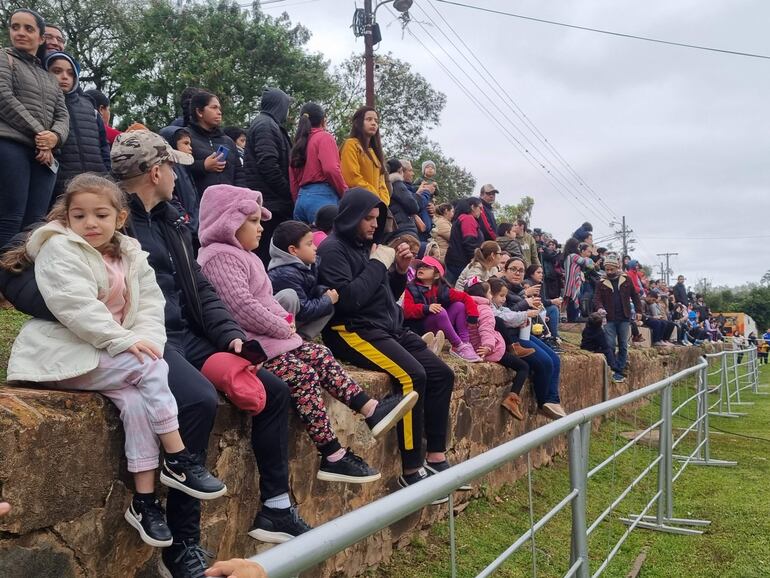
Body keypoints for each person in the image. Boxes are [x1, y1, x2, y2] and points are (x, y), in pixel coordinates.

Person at [1, 173, 227, 548]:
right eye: (80, 216)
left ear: (120, 218)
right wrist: (125, 341)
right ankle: (178, 458)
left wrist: (148, 341)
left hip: (106, 354)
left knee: (138, 402)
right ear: (66, 218)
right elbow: (76, 308)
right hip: (62, 354)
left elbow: (152, 306)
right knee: (151, 368)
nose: (90, 223)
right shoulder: (60, 249)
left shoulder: (131, 254)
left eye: (101, 215)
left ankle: (143, 501)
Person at [197, 184, 418, 484]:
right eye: (253, 221)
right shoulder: (219, 256)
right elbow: (242, 306)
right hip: (249, 347)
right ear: (227, 221)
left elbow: (264, 301)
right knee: (302, 374)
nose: (261, 228)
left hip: (271, 340)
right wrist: (283, 324)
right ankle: (332, 454)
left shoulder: (244, 256)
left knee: (320, 353)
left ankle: (370, 409)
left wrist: (284, 320)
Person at [318, 187, 461, 501]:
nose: (373, 224)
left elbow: (382, 292)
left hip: (386, 326)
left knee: (442, 375)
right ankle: (412, 470)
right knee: (413, 377)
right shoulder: (332, 249)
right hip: (352, 330)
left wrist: (397, 270)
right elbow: (349, 300)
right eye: (367, 218)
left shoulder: (369, 247)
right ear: (351, 216)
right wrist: (379, 264)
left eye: (376, 218)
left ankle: (436, 458)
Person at [0, 8, 69, 248]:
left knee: (36, 224)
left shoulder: (49, 76)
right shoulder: (3, 58)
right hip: (11, 145)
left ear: (40, 38)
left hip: (45, 154)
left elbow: (62, 114)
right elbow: (4, 98)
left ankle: (23, 277)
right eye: (15, 26)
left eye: (28, 28)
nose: (20, 33)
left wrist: (55, 137)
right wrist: (41, 134)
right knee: (10, 216)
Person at [488, 276, 566, 419]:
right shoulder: (500, 295)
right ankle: (543, 402)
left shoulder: (513, 292)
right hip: (512, 338)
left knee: (555, 359)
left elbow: (508, 311)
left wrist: (528, 313)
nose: (517, 273)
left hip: (522, 332)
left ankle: (552, 399)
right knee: (544, 363)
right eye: (513, 270)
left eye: (521, 270)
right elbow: (503, 317)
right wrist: (525, 306)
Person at [238, 87, 294, 264]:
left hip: (272, 202)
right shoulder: (265, 125)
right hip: (272, 204)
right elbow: (268, 164)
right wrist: (288, 191)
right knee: (267, 256)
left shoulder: (269, 124)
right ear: (280, 105)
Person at [44, 52, 109, 199]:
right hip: (61, 186)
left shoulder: (88, 105)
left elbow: (103, 144)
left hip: (98, 182)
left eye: (70, 73)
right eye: (57, 71)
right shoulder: (44, 105)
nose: (65, 77)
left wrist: (107, 171)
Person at [465, 280, 530, 419]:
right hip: (490, 350)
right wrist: (488, 346)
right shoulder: (485, 309)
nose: (490, 295)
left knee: (499, 322)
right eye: (489, 292)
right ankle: (512, 400)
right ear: (483, 294)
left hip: (471, 347)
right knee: (523, 367)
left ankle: (513, 348)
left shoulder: (464, 305)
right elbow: (486, 330)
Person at [402, 256, 482, 362]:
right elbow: (406, 310)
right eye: (420, 266)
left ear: (436, 275)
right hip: (419, 328)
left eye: (427, 267)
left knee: (459, 305)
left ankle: (465, 343)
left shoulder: (442, 289)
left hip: (439, 327)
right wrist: (426, 308)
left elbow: (465, 297)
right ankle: (458, 345)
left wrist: (473, 315)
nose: (421, 269)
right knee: (440, 311)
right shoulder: (410, 288)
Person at [268, 220, 336, 340]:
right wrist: (327, 300)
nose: (315, 248)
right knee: (291, 297)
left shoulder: (306, 265)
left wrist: (325, 295)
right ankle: (287, 339)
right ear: (293, 250)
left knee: (325, 296)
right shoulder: (285, 274)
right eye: (310, 244)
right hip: (281, 322)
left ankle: (302, 339)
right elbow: (304, 311)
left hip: (298, 315)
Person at [289, 102, 346, 224]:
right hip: (323, 198)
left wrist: (297, 200)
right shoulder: (324, 137)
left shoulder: (298, 144)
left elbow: (293, 181)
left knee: (305, 242)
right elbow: (331, 169)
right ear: (323, 120)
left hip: (301, 200)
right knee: (327, 241)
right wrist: (345, 192)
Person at [592, 252, 642, 382]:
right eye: (607, 269)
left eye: (611, 269)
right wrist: (600, 308)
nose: (609, 271)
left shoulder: (626, 279)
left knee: (623, 344)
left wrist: (638, 310)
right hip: (609, 318)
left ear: (617, 267)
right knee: (610, 343)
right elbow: (596, 299)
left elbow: (635, 296)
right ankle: (613, 368)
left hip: (624, 317)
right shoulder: (601, 282)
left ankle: (620, 368)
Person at [187, 90, 237, 198]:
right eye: (214, 108)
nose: (219, 112)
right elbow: (179, 170)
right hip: (200, 206)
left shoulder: (228, 141)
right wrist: (203, 166)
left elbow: (239, 175)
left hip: (229, 204)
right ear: (199, 112)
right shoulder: (186, 138)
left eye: (219, 108)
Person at [339, 106, 389, 205]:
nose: (374, 123)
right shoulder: (351, 144)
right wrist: (375, 197)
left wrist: (383, 203)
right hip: (358, 204)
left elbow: (382, 185)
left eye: (376, 121)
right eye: (369, 119)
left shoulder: (375, 153)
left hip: (376, 207)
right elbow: (352, 178)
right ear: (358, 123)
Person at [159, 126, 201, 240]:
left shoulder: (185, 167)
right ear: (172, 144)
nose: (190, 148)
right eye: (185, 143)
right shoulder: (171, 169)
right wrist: (184, 217)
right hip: (183, 226)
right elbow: (171, 197)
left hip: (194, 225)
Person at [444, 197, 484, 285]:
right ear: (473, 207)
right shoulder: (467, 219)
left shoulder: (461, 218)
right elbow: (469, 242)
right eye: (480, 208)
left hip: (455, 261)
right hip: (461, 263)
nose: (481, 212)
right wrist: (476, 261)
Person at [524, 263, 562, 340]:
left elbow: (542, 301)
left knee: (553, 308)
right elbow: (540, 302)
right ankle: (554, 336)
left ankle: (553, 335)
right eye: (538, 272)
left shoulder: (539, 283)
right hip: (530, 310)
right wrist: (553, 301)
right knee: (553, 309)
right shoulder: (528, 283)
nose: (541, 275)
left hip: (539, 309)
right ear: (531, 274)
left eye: (542, 273)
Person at [386, 158, 420, 240]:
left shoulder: (386, 185)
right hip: (403, 230)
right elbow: (413, 206)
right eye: (410, 170)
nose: (413, 173)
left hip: (394, 229)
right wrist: (422, 195)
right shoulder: (397, 183)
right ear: (400, 170)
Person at [401, 159, 434, 242]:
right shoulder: (400, 188)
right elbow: (415, 204)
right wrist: (427, 192)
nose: (413, 173)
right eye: (410, 170)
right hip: (414, 236)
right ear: (401, 172)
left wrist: (432, 208)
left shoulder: (411, 188)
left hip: (422, 235)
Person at [562, 239, 594, 322]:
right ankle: (574, 319)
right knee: (575, 300)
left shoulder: (567, 256)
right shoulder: (574, 256)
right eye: (578, 246)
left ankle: (571, 319)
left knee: (571, 301)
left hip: (569, 282)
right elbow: (586, 263)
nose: (579, 248)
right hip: (575, 282)